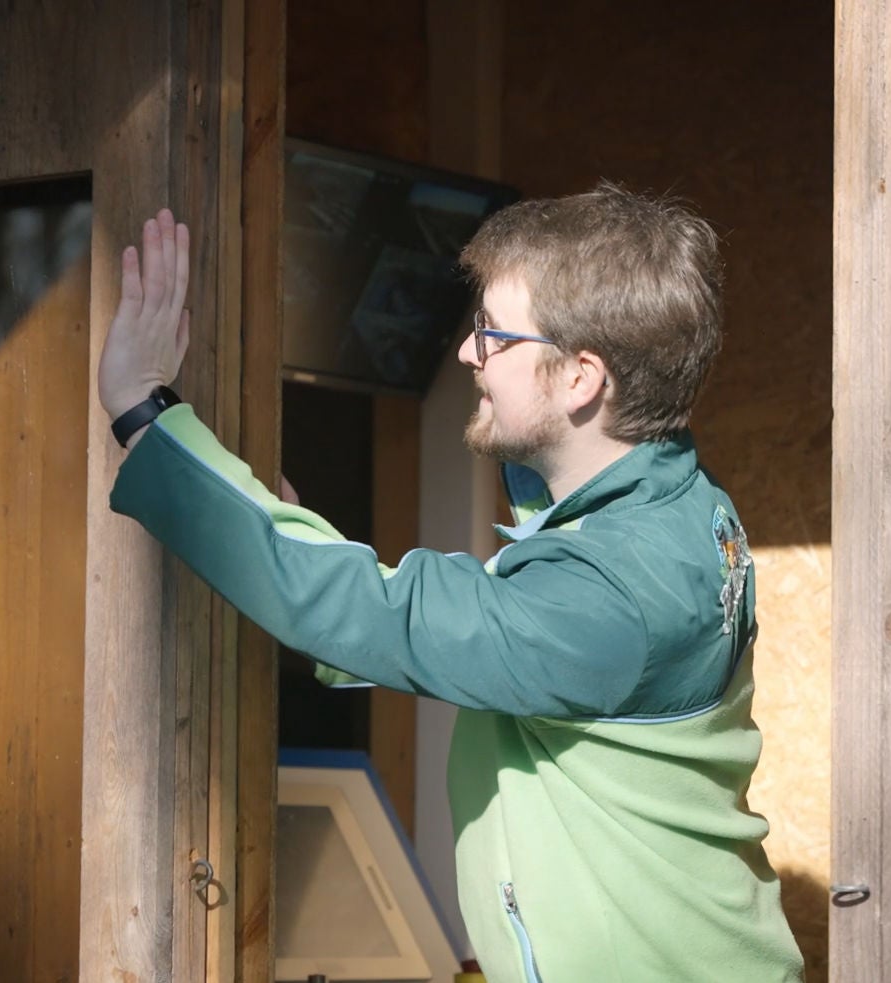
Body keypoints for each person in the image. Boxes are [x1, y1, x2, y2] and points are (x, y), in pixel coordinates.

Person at [98, 188, 804, 982]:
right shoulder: (672, 508)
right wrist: (285, 540)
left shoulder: (611, 593)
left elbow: (385, 613)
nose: (468, 353)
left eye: (494, 335)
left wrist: (145, 411)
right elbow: (450, 630)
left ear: (581, 378)